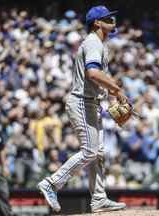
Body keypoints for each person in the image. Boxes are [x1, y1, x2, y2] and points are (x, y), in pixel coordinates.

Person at [37, 5, 128, 213]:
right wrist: (116, 89)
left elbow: (96, 80)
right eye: (108, 19)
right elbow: (93, 74)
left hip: (91, 102)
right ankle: (51, 183)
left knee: (98, 153)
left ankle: (98, 199)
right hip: (81, 101)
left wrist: (110, 95)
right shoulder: (93, 42)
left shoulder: (99, 44)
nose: (113, 22)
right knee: (90, 151)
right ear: (97, 22)